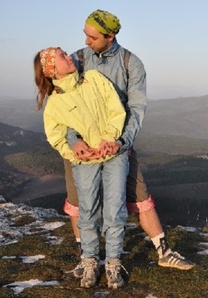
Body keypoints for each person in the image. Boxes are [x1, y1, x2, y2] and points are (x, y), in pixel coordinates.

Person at [63, 9, 195, 277]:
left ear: (110, 36)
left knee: (139, 195)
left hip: (117, 146)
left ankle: (164, 252)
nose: (86, 42)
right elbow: (67, 105)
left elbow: (136, 109)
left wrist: (122, 142)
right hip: (81, 147)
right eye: (85, 35)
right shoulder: (77, 59)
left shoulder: (130, 64)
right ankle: (85, 258)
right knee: (78, 202)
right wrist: (74, 140)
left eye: (93, 37)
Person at [34, 47, 128, 289]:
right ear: (51, 70)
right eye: (62, 57)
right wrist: (73, 150)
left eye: (66, 53)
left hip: (114, 154)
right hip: (85, 163)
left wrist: (110, 138)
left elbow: (116, 109)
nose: (69, 57)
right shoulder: (54, 104)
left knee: (115, 210)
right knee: (87, 212)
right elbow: (56, 137)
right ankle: (90, 261)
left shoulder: (95, 79)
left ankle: (114, 262)